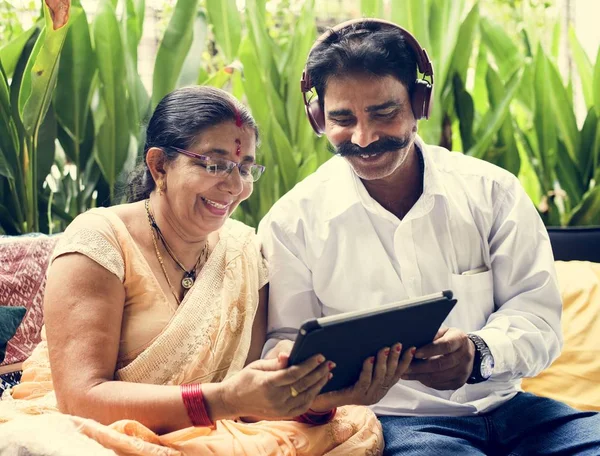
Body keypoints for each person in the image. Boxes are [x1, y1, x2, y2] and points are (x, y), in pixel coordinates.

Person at [258, 18, 600, 456]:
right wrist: (318, 379)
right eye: (343, 119)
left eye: (384, 113)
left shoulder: (492, 191)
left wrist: (479, 353)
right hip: (400, 423)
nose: (364, 138)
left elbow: (539, 319)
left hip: (515, 409)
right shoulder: (292, 222)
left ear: (420, 102)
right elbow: (284, 343)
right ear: (318, 117)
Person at [0, 86, 387, 455]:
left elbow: (247, 400)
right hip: (96, 430)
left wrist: (315, 397)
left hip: (211, 430)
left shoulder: (245, 252)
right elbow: (81, 399)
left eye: (246, 168)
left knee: (349, 425)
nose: (235, 186)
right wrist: (224, 399)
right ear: (159, 165)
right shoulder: (100, 242)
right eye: (215, 164)